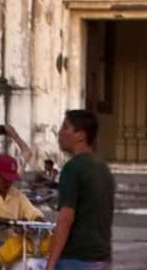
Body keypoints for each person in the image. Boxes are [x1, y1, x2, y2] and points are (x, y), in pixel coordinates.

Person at [47, 110, 113, 270]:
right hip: (101, 257)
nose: (60, 133)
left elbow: (65, 219)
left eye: (65, 128)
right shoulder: (102, 167)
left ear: (80, 135)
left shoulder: (73, 168)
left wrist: (50, 264)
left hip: (77, 258)